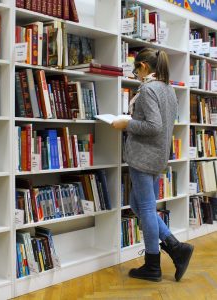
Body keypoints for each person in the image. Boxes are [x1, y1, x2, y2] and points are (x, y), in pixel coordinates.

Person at [112, 48, 194, 282]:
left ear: (144, 67)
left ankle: (152, 265)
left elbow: (154, 126)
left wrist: (126, 124)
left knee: (146, 209)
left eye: (135, 69)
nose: (135, 74)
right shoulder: (167, 88)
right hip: (158, 156)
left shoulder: (148, 89)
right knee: (136, 204)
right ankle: (176, 247)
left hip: (143, 157)